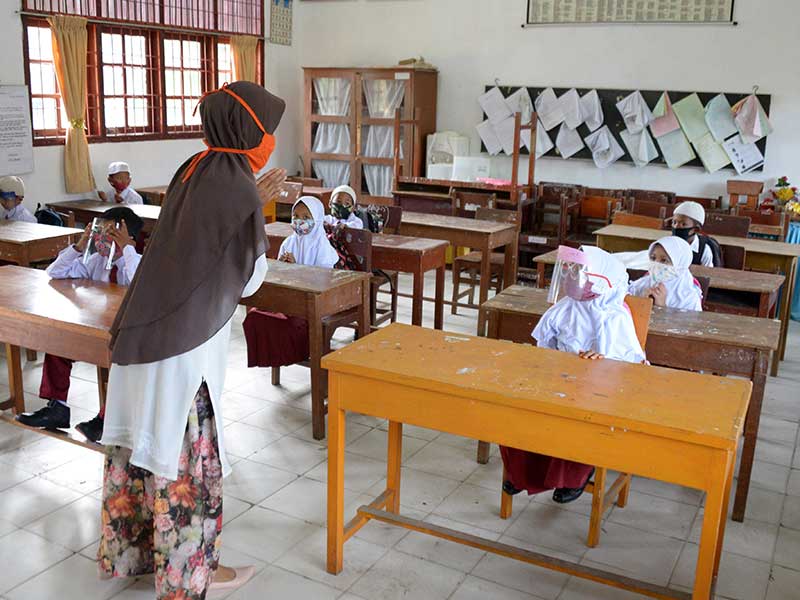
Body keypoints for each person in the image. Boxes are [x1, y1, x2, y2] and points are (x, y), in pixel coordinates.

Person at [97, 81, 287, 598]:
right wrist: (258, 206)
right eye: (267, 130)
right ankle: (192, 573)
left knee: (139, 447)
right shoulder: (237, 186)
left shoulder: (194, 166)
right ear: (249, 130)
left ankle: (133, 556)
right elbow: (248, 280)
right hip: (183, 351)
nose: (270, 140)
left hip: (142, 334)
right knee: (187, 463)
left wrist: (252, 198)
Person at [500, 246, 646, 504]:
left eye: (580, 271)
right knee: (520, 408)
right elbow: (546, 344)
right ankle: (521, 473)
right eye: (570, 269)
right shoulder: (567, 306)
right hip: (560, 379)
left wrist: (601, 358)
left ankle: (575, 475)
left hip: (597, 390)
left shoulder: (613, 316)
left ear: (601, 280)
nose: (571, 276)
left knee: (575, 421)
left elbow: (627, 367)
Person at [16, 207, 144, 442]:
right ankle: (57, 407)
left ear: (129, 239)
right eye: (100, 233)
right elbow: (55, 272)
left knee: (123, 363)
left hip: (126, 338)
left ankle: (106, 420)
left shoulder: (136, 262)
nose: (102, 240)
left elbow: (140, 285)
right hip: (97, 330)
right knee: (59, 342)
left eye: (110, 234)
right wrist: (79, 246)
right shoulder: (96, 260)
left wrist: (127, 248)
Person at [243, 195, 338, 368]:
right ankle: (273, 357)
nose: (299, 221)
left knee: (285, 323)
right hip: (289, 300)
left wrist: (296, 269)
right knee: (255, 317)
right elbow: (278, 274)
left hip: (312, 303)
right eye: (296, 217)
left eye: (306, 218)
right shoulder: (289, 242)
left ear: (316, 219)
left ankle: (296, 352)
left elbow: (324, 281)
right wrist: (283, 266)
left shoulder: (322, 246)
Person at [628, 237, 703, 311]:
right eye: (653, 258)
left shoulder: (688, 297)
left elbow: (691, 322)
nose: (656, 264)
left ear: (679, 265)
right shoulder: (642, 284)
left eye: (664, 260)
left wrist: (661, 308)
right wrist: (639, 302)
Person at [671, 201, 721, 267]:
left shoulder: (704, 250)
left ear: (696, 229)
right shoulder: (668, 244)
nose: (676, 227)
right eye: (674, 222)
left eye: (683, 224)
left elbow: (708, 274)